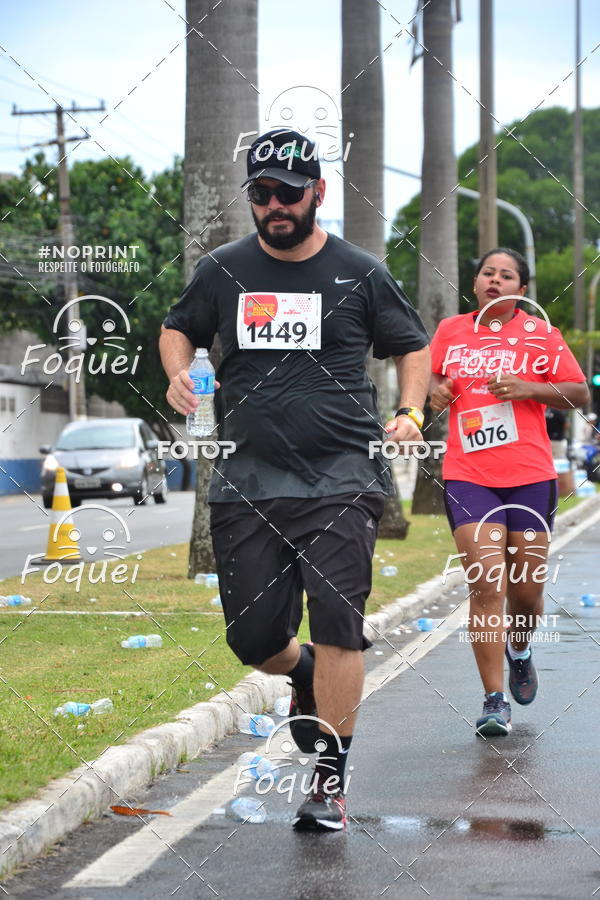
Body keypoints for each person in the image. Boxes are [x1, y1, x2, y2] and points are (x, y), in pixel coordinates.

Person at [159, 129, 431, 830]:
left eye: (288, 190)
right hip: (249, 480)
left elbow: (411, 345)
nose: (275, 204)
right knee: (252, 639)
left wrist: (409, 410)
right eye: (261, 193)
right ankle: (301, 669)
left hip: (343, 475)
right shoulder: (223, 270)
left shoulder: (360, 272)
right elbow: (177, 327)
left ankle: (329, 783)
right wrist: (176, 374)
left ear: (319, 191)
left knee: (342, 621)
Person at [430, 248, 589, 737]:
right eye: (487, 273)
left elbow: (579, 392)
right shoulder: (450, 331)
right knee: (486, 584)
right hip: (468, 472)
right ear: (475, 282)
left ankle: (519, 650)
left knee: (526, 592)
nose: (495, 281)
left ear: (522, 288)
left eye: (507, 275)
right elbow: (434, 382)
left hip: (529, 472)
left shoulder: (542, 335)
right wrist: (435, 392)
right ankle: (494, 699)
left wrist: (528, 388)